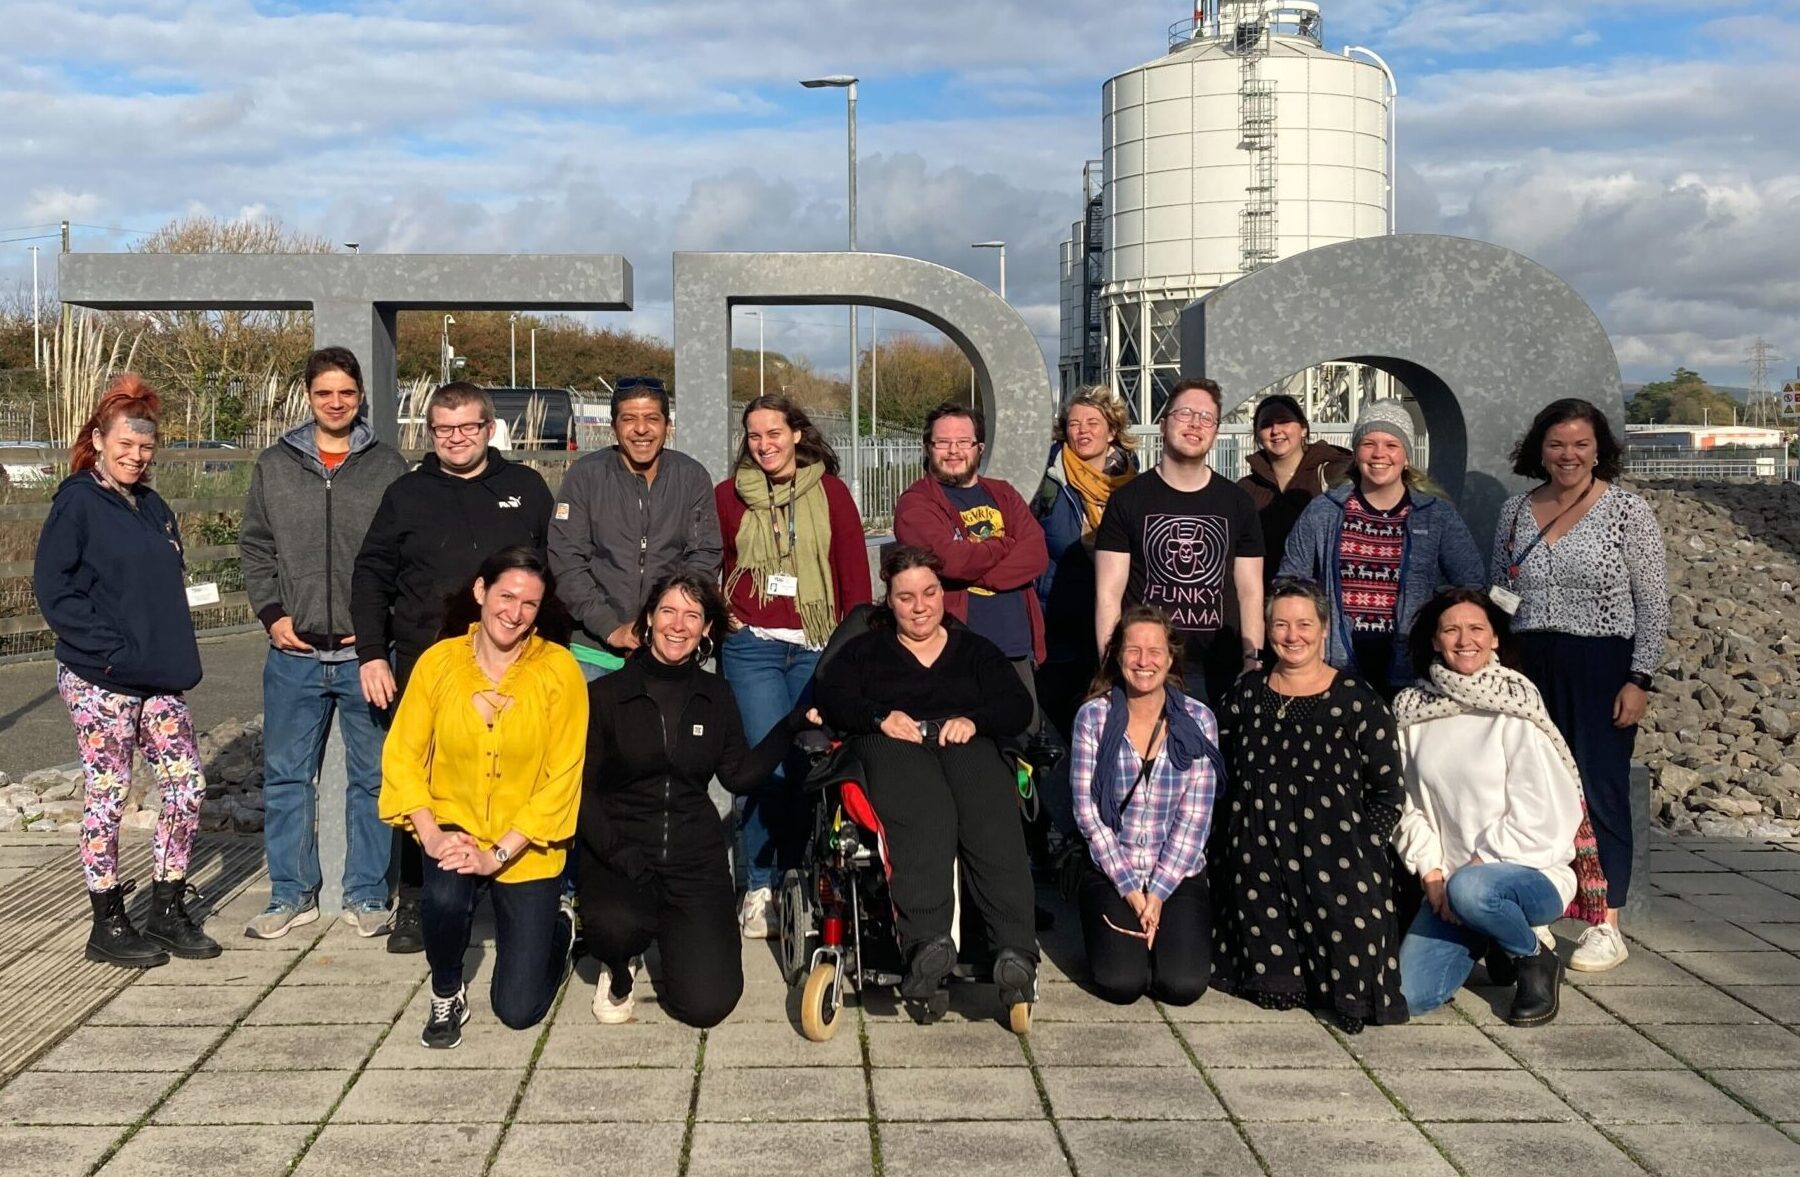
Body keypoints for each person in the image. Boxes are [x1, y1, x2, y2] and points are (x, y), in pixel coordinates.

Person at [352, 382, 555, 954]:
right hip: (427, 662)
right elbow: (371, 574)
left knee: (512, 768)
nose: (456, 438)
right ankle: (419, 899)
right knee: (425, 776)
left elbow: (547, 577)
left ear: (489, 429)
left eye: (467, 427)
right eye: (444, 429)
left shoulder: (526, 488)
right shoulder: (406, 494)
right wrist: (372, 652)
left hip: (512, 662)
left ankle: (510, 881)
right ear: (430, 433)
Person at [33, 373, 219, 967]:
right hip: (100, 678)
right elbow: (54, 590)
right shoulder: (77, 503)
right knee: (108, 796)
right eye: (125, 445)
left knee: (187, 788)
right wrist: (108, 648)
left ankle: (166, 906)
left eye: (145, 447)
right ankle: (107, 919)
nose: (136, 457)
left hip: (159, 677)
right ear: (99, 438)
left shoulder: (154, 506)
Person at [815, 547, 1038, 1021]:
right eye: (906, 597)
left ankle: (1015, 952)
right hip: (891, 741)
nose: (920, 606)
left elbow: (1017, 706)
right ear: (888, 601)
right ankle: (925, 945)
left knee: (989, 808)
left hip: (961, 739)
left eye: (930, 593)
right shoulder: (864, 652)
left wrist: (974, 720)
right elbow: (832, 698)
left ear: (943, 594)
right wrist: (879, 716)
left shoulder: (975, 650)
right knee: (925, 811)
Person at [579, 573, 809, 1028]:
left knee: (707, 1005)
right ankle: (620, 970)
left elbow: (738, 776)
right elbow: (580, 790)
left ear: (706, 629)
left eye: (692, 615)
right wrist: (619, 853)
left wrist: (789, 727)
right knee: (615, 926)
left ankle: (673, 931)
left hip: (692, 858)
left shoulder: (717, 695)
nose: (678, 625)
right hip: (621, 853)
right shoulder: (605, 696)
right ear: (648, 619)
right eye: (668, 611)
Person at [378, 547, 586, 1048]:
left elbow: (563, 778)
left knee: (518, 1010)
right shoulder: (438, 663)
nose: (514, 613)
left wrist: (497, 855)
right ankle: (446, 988)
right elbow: (403, 755)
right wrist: (429, 834)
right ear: (480, 591)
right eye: (506, 596)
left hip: (527, 844)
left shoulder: (559, 670)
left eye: (529, 604)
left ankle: (560, 926)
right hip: (453, 826)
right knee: (445, 895)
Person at [1492, 399, 1668, 973]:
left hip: (1600, 665)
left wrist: (1638, 678)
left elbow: (1653, 604)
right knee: (1533, 789)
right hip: (1528, 665)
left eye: (1581, 444)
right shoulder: (1516, 511)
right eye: (1557, 444)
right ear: (1539, 449)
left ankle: (1607, 921)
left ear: (1599, 450)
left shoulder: (1626, 512)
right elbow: (1499, 594)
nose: (1568, 455)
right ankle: (1539, 909)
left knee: (1600, 789)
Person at [240, 347, 408, 940]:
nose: (335, 403)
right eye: (324, 393)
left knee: (373, 778)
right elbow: (256, 547)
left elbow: (402, 554)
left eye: (346, 393)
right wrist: (270, 613)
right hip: (295, 652)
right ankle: (291, 894)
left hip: (366, 655)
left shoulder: (387, 465)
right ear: (308, 397)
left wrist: (380, 621)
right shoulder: (275, 465)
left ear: (361, 397)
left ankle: (365, 893)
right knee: (287, 778)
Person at [1211, 579, 1408, 1031]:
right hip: (1258, 861)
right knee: (1274, 991)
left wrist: (1361, 844)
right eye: (1280, 624)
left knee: (1354, 978)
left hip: (1336, 861)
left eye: (1303, 624)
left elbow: (1389, 791)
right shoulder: (1245, 695)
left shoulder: (1358, 701)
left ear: (1324, 629)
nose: (1291, 635)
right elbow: (1217, 773)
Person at [715, 394, 872, 939]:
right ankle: (758, 883)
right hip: (752, 648)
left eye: (774, 434)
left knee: (811, 764)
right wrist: (719, 615)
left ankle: (801, 875)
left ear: (797, 434)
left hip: (816, 646)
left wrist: (853, 651)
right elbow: (706, 562)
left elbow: (853, 573)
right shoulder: (728, 496)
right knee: (763, 767)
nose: (764, 445)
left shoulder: (830, 493)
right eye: (754, 436)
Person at [1392, 589, 1584, 1026]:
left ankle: (1534, 958)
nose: (1465, 640)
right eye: (1451, 630)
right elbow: (1408, 806)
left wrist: (1474, 868)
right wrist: (1433, 873)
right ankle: (1490, 934)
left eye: (1477, 628)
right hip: (1449, 889)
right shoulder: (1412, 711)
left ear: (1495, 638)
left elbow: (1546, 811)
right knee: (1408, 995)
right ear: (1435, 642)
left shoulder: (1515, 706)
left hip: (1529, 875)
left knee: (1476, 890)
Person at [1279, 400, 1484, 700]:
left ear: (1406, 455)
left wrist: (1432, 621)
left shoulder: (1435, 514)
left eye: (1391, 444)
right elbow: (1289, 580)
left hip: (1412, 668)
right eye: (1368, 443)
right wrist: (1313, 627)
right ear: (1355, 451)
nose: (1379, 454)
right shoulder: (1324, 511)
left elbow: (1472, 585)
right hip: (1334, 666)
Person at [1069, 606, 1219, 1007]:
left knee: (1183, 985)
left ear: (1171, 658)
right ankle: (1114, 940)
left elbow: (1195, 819)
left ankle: (1164, 939)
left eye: (1154, 651)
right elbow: (1088, 814)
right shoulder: (1093, 718)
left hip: (1177, 872)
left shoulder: (1199, 720)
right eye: (1133, 650)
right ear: (1118, 656)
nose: (1144, 661)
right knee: (1122, 983)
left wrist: (1158, 895)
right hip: (1114, 869)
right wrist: (1134, 894)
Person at [1095, 378, 1265, 706]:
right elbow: (1108, 594)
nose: (1195, 424)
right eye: (1185, 413)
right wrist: (1109, 666)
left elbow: (1250, 590)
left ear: (1215, 432)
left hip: (1220, 671)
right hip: (1146, 670)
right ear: (1163, 425)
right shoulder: (1127, 500)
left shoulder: (1238, 503)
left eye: (1206, 418)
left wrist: (1252, 660)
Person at [548, 376, 721, 682]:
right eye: (629, 419)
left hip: (671, 647)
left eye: (652, 419)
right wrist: (610, 627)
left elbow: (703, 557)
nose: (641, 430)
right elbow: (567, 559)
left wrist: (664, 624)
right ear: (614, 427)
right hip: (594, 651)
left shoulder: (691, 477)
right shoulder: (585, 476)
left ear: (667, 426)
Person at [895, 402, 1050, 714]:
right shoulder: (916, 503)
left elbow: (1035, 554)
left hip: (1014, 648)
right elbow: (950, 561)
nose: (953, 451)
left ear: (979, 447)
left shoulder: (1003, 493)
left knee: (1023, 750)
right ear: (929, 448)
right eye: (942, 442)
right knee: (963, 748)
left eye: (963, 442)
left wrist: (974, 566)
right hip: (952, 651)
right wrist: (1003, 545)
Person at [1031, 387, 1139, 744]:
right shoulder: (1046, 479)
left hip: (1114, 620)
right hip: (1058, 620)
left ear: (1112, 430)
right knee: (1058, 722)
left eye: (1093, 422)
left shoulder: (1132, 483)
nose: (1082, 431)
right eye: (1074, 423)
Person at [1237, 393, 1351, 585]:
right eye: (1266, 424)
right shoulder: (1246, 489)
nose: (1275, 430)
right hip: (1267, 603)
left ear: (1303, 428)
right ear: (1257, 435)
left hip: (1320, 603)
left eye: (1284, 421)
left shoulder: (1332, 475)